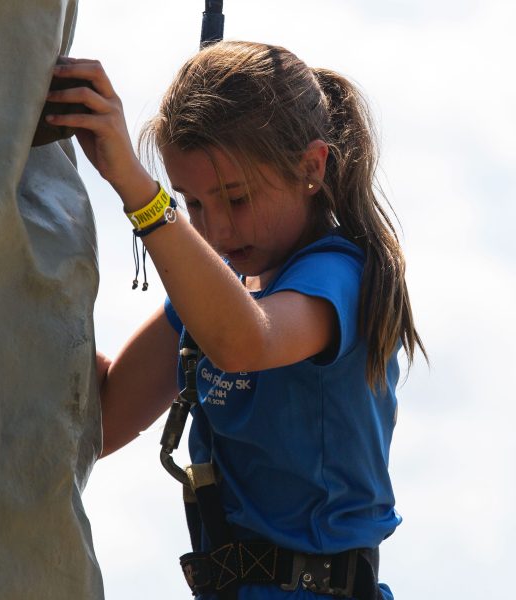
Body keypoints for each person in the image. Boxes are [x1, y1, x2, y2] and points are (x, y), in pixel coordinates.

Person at [47, 41, 426, 600]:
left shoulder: (340, 276)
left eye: (236, 198)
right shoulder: (208, 308)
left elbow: (246, 341)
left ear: (311, 168)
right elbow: (95, 425)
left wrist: (143, 197)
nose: (217, 230)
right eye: (193, 204)